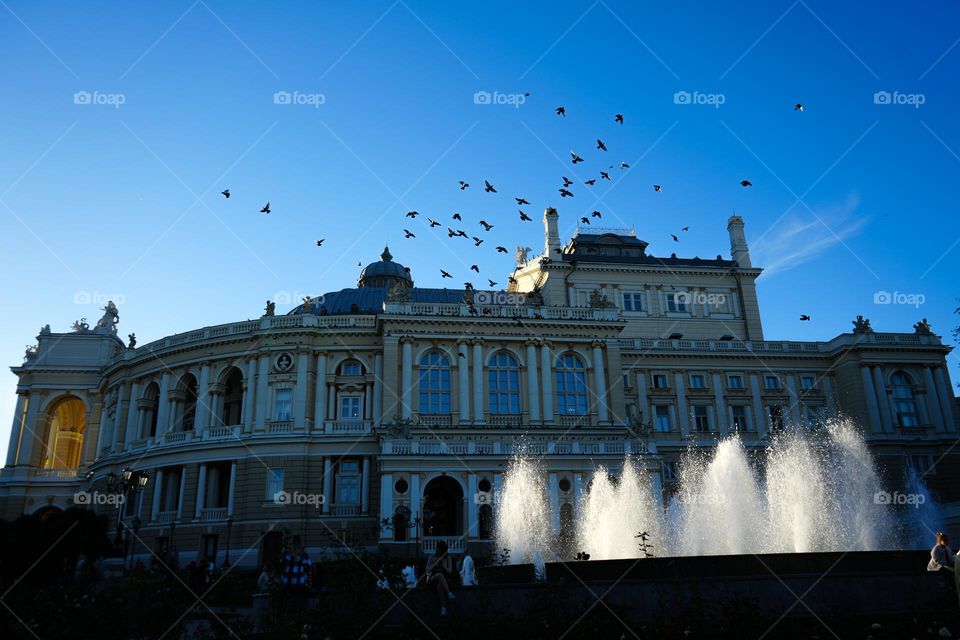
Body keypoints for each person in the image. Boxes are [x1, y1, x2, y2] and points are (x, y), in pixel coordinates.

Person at [425, 540, 456, 615]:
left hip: (445, 579)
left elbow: (450, 571)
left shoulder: (447, 557)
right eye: (437, 549)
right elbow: (427, 570)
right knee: (439, 575)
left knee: (440, 586)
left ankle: (443, 608)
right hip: (433, 578)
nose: (437, 550)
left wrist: (444, 566)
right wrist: (435, 564)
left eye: (439, 549)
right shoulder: (432, 557)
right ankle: (449, 593)